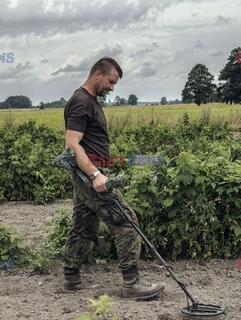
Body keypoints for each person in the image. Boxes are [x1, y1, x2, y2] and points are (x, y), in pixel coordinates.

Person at [62, 57, 164, 299]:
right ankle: (132, 284)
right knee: (126, 221)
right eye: (111, 81)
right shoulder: (81, 102)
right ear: (97, 74)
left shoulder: (90, 101)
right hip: (90, 176)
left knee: (84, 225)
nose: (112, 87)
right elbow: (72, 144)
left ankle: (71, 277)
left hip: (88, 174)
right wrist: (95, 174)